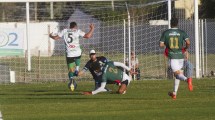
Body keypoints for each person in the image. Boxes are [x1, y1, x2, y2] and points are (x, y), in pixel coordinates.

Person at [49, 22, 94, 91]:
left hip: (69, 54)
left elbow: (55, 38)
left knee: (70, 69)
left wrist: (51, 35)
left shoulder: (64, 31)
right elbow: (88, 36)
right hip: (77, 53)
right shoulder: (78, 31)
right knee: (80, 49)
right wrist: (92, 29)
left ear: (70, 26)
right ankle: (77, 69)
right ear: (76, 26)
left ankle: (71, 80)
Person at [159, 17, 193, 99]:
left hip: (173, 56)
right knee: (178, 74)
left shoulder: (166, 32)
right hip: (181, 56)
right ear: (177, 23)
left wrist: (167, 45)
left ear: (170, 23)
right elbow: (188, 42)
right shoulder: (182, 32)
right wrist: (185, 48)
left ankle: (187, 80)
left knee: (177, 75)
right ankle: (174, 93)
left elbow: (161, 45)